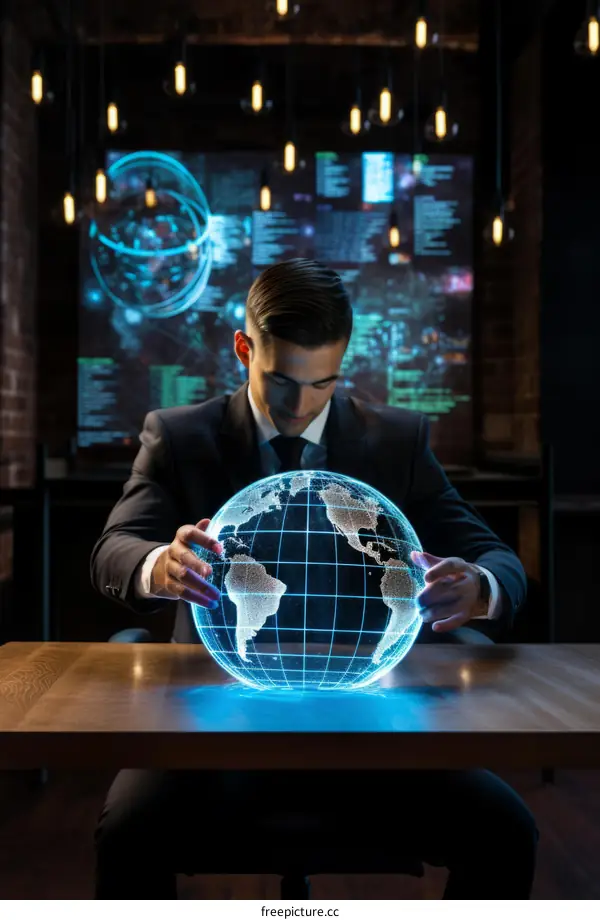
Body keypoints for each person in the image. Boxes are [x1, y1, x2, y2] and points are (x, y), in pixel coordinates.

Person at [90, 259, 538, 899]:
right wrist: (158, 564)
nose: (299, 405)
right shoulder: (179, 436)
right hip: (213, 725)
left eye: (322, 382)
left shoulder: (399, 441)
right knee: (127, 833)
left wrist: (479, 585)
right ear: (243, 348)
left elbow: (496, 559)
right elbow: (114, 549)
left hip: (371, 723)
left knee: (505, 831)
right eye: (280, 380)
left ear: (343, 362)